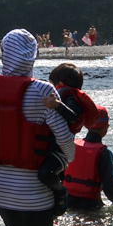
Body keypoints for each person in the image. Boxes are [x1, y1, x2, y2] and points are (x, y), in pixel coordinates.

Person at [0, 28, 75, 226]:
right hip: (33, 193)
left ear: (4, 54)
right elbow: (64, 139)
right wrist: (68, 159)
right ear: (33, 55)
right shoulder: (43, 90)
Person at [39, 63, 99, 212]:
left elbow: (73, 116)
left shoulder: (70, 96)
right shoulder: (66, 94)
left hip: (62, 148)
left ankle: (61, 192)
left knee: (45, 174)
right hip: (53, 145)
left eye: (51, 85)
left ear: (59, 84)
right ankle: (54, 203)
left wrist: (57, 105)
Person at [64, 106, 113, 210]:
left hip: (68, 203)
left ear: (87, 126)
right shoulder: (104, 153)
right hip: (91, 206)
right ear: (106, 127)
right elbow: (110, 188)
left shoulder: (72, 145)